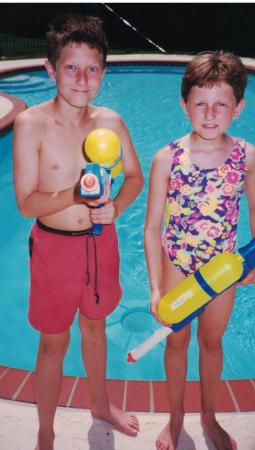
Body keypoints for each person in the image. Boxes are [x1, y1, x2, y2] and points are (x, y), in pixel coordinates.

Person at [13, 12, 143, 450]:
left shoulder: (110, 121)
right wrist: (73, 194)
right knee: (53, 344)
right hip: (53, 248)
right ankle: (46, 431)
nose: (82, 79)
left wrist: (116, 209)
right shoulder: (32, 123)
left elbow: (134, 177)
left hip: (99, 244)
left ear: (104, 72)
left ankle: (101, 406)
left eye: (92, 69)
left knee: (95, 327)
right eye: (71, 67)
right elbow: (27, 202)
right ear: (51, 69)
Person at [144, 51, 255, 450]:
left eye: (221, 105)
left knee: (212, 344)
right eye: (200, 104)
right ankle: (175, 418)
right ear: (185, 106)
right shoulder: (167, 158)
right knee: (176, 341)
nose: (210, 114)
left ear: (239, 107)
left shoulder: (247, 156)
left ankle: (209, 417)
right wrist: (155, 287)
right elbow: (151, 229)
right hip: (177, 263)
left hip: (223, 269)